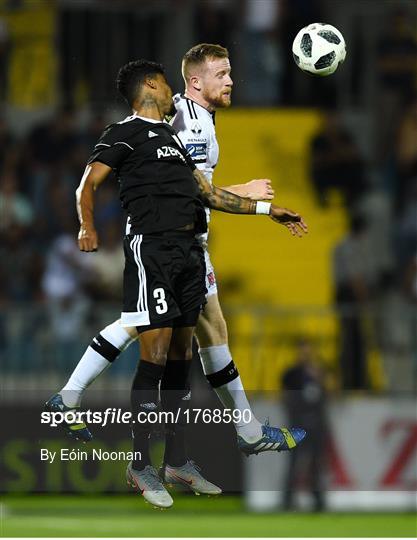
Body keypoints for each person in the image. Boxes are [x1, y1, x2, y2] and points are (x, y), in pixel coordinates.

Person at [45, 54, 307, 505]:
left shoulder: (170, 137)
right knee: (152, 343)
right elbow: (87, 184)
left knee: (180, 354)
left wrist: (265, 210)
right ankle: (136, 457)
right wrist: (87, 226)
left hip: (188, 250)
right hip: (153, 247)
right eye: (169, 83)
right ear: (154, 84)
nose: (174, 93)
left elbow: (204, 192)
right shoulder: (126, 132)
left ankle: (177, 457)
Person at [281, 339, 329, 512]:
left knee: (316, 464)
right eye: (302, 351)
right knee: (294, 464)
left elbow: (328, 395)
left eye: (308, 351)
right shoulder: (291, 374)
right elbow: (285, 398)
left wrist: (320, 378)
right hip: (297, 426)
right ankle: (287, 501)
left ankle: (318, 502)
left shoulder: (319, 372)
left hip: (316, 425)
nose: (305, 355)